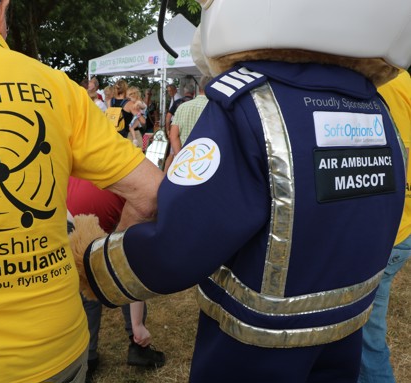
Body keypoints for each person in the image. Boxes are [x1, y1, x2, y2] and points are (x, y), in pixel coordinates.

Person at [76, 0, 411, 382]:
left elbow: (183, 237)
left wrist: (95, 265)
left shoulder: (248, 104)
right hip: (346, 324)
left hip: (257, 345)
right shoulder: (375, 107)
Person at [0, 1, 163, 382]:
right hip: (54, 351)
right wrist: (103, 268)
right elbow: (150, 192)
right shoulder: (54, 87)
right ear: (1, 11)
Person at [67, 177, 165, 382]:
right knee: (121, 273)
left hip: (69, 222)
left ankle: (89, 356)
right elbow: (131, 271)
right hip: (83, 226)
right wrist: (138, 325)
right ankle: (138, 344)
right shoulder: (138, 186)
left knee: (90, 291)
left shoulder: (76, 164)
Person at [358, 70, 411, 383]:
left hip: (388, 229)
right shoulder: (402, 80)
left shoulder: (375, 83)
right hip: (402, 227)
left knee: (366, 337)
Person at [166, 76, 211, 172]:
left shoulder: (182, 107)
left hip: (184, 157)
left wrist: (180, 157)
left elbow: (173, 136)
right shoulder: (215, 107)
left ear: (199, 88)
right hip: (206, 160)